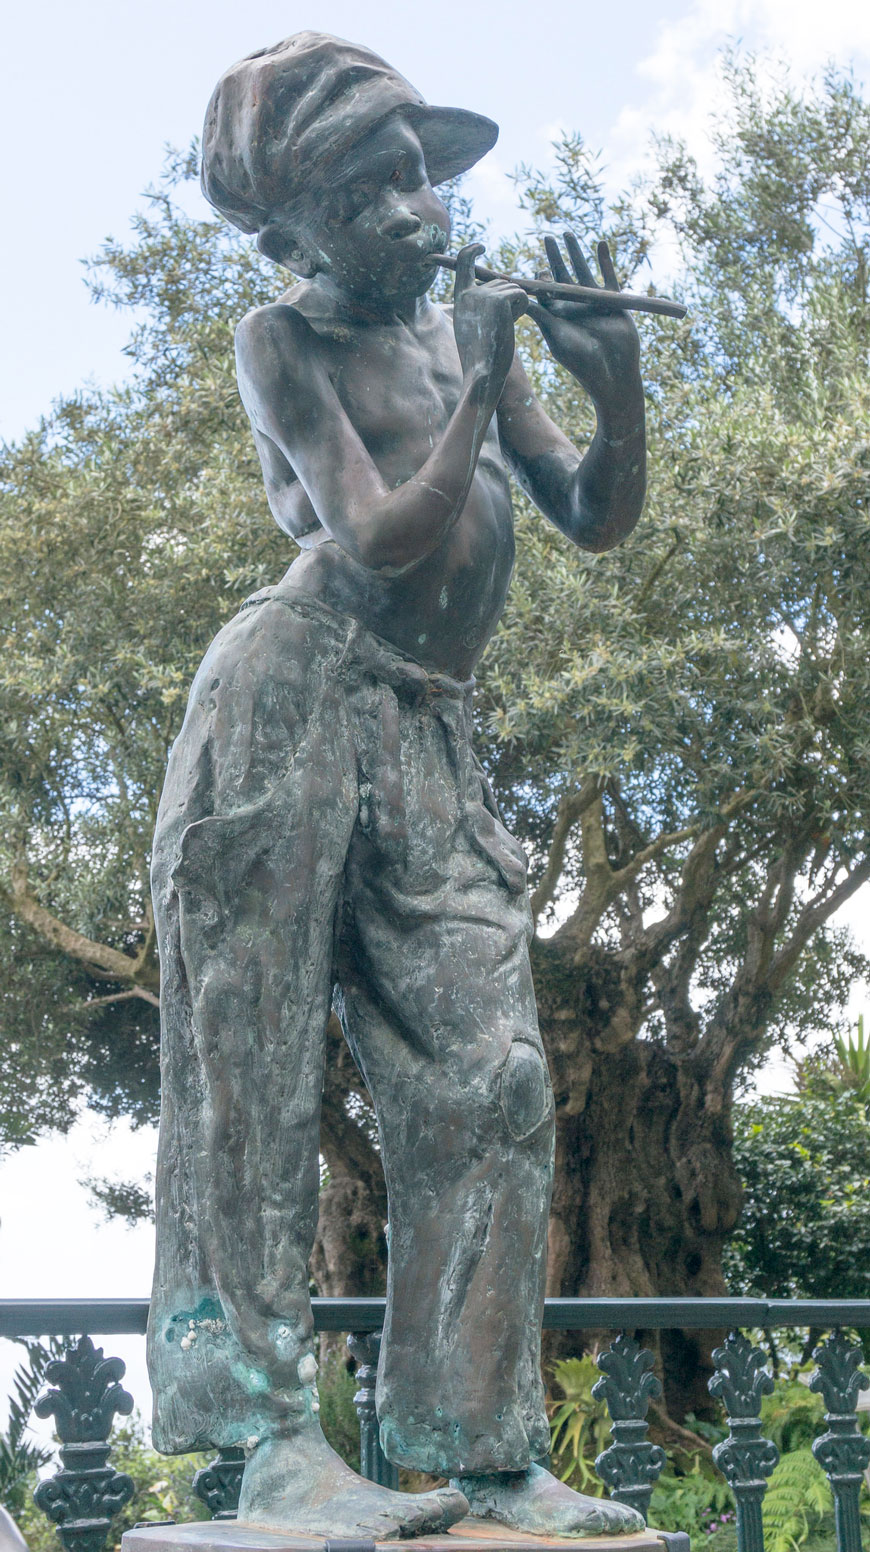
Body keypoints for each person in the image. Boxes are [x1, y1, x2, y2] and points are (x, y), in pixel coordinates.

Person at [147, 31, 647, 1542]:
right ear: (298, 216)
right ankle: (268, 1449)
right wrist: (489, 371)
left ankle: (479, 1446)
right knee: (249, 1075)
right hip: (288, 698)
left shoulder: (454, 343)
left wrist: (610, 384)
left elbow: (592, 515)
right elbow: (375, 539)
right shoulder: (279, 340)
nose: (421, 200)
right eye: (381, 179)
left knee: (489, 1077)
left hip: (427, 727)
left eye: (422, 170)